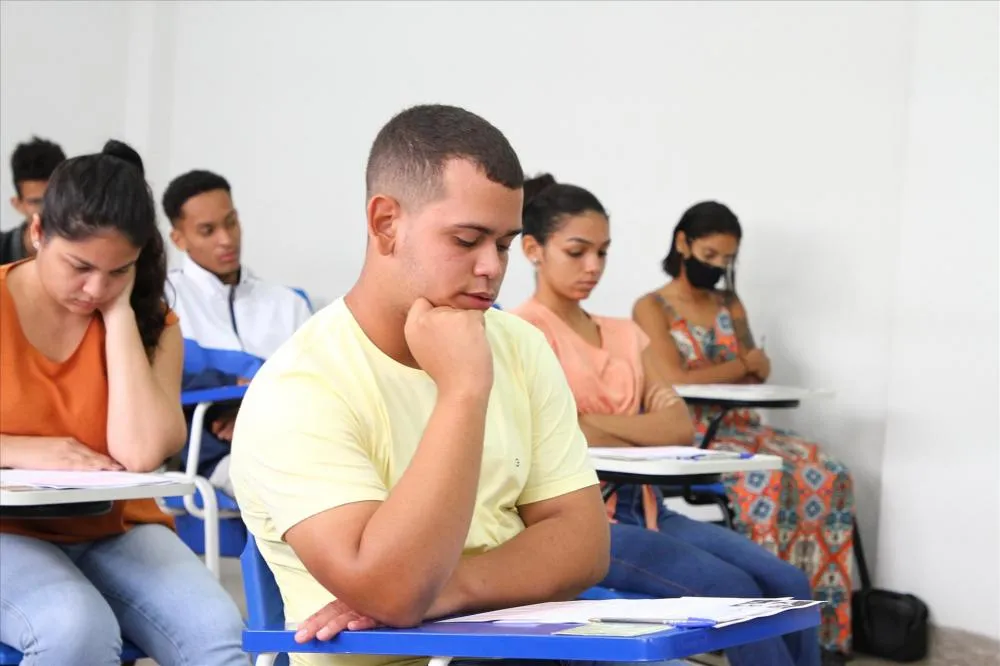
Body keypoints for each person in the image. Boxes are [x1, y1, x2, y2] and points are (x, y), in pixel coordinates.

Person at [230, 105, 687, 666]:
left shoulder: (519, 345)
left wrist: (446, 592)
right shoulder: (299, 388)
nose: (492, 267)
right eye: (467, 239)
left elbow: (583, 546)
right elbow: (392, 590)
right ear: (385, 223)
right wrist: (463, 391)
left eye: (502, 244)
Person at [512, 175, 821, 666]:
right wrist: (617, 426)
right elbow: (551, 440)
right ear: (533, 249)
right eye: (577, 251)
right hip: (582, 523)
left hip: (652, 509)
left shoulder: (623, 333)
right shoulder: (520, 333)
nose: (594, 266)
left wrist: (589, 421)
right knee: (735, 592)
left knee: (790, 583)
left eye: (604, 252)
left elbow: (678, 428)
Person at [0, 141, 246, 665]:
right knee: (74, 628)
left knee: (219, 633)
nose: (94, 287)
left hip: (110, 526)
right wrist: (22, 449)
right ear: (38, 232)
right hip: (5, 530)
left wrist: (118, 318)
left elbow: (138, 453)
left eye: (118, 270)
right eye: (80, 266)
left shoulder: (151, 322)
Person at [632, 200, 855, 656]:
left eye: (726, 260)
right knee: (766, 480)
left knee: (828, 471)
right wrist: (739, 365)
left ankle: (818, 624)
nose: (717, 267)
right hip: (694, 431)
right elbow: (675, 380)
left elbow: (758, 371)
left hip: (743, 424)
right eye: (710, 255)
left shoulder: (729, 302)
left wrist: (742, 366)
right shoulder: (651, 307)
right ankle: (763, 610)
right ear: (683, 244)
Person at [163, 169, 312, 496]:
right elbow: (168, 382)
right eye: (208, 230)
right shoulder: (165, 300)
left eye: (231, 222)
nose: (226, 239)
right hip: (218, 454)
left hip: (295, 441)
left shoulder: (288, 304)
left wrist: (252, 413)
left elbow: (320, 382)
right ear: (179, 239)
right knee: (300, 491)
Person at [1, 136, 66, 264]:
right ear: (17, 204)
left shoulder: (89, 251)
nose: (47, 209)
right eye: (36, 202)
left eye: (54, 198)